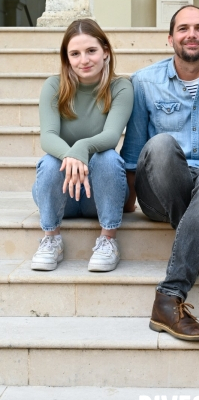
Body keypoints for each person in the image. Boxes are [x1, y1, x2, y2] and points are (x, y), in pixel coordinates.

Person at [121, 5, 199, 341]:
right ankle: (191, 241)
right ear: (170, 38)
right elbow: (135, 153)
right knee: (161, 144)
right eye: (183, 28)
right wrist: (125, 203)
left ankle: (169, 297)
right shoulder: (144, 82)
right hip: (161, 191)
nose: (191, 34)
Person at [31, 19, 133, 272]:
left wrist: (81, 148)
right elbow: (48, 136)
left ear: (105, 52)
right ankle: (51, 238)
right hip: (61, 191)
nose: (83, 60)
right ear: (66, 58)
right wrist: (71, 155)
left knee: (107, 157)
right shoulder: (54, 86)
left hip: (97, 197)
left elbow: (111, 136)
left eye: (91, 51)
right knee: (49, 160)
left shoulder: (120, 87)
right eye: (74, 54)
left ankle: (108, 240)